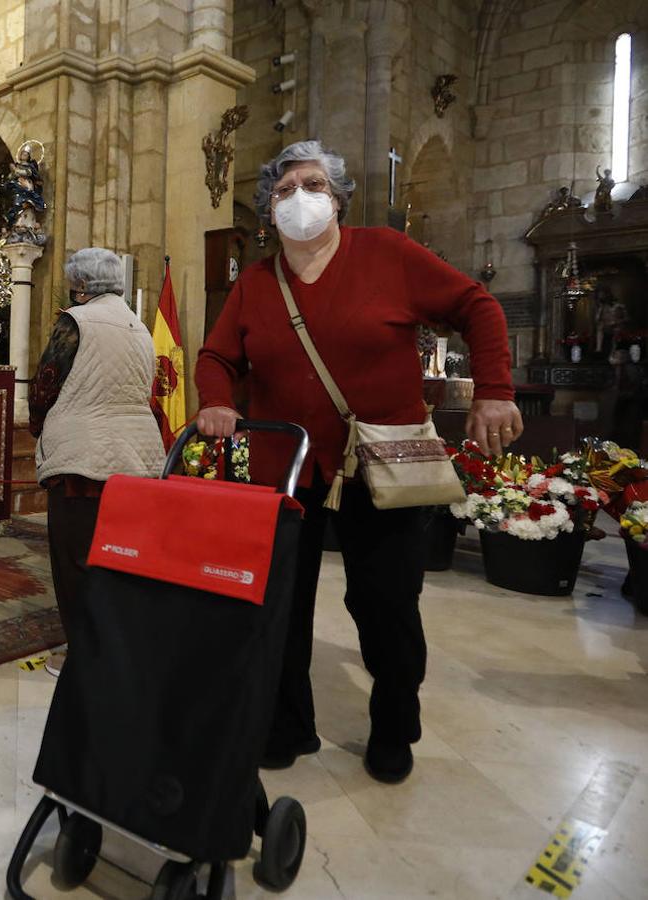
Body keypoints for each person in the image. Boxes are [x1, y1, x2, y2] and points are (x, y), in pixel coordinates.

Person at [195, 140, 521, 783]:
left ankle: (395, 723)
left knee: (385, 605)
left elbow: (477, 307)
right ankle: (287, 723)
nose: (298, 198)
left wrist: (495, 391)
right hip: (286, 466)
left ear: (338, 198)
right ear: (267, 209)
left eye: (312, 184)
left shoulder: (387, 254)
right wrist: (214, 401)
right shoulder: (258, 282)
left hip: (383, 465)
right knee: (279, 604)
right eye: (284, 190)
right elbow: (216, 357)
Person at [30, 248, 165, 675]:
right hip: (138, 458)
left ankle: (83, 655)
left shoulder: (76, 321)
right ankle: (119, 645)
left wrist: (40, 426)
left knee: (76, 561)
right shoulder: (140, 326)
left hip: (82, 460)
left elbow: (45, 383)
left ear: (82, 285)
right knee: (121, 557)